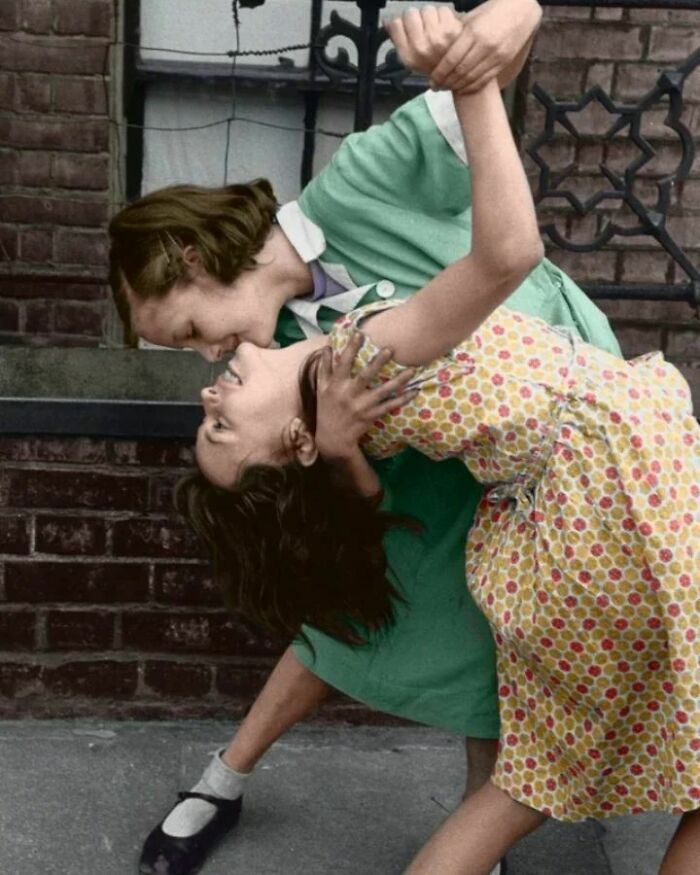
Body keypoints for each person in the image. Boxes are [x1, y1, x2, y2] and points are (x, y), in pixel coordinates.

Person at [181, 12, 700, 875]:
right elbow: (507, 253)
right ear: (295, 440)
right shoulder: (357, 356)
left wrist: (341, 452)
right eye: (222, 426)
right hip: (617, 490)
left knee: (526, 791)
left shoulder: (341, 390)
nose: (206, 391)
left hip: (565, 534)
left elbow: (357, 499)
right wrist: (470, 87)